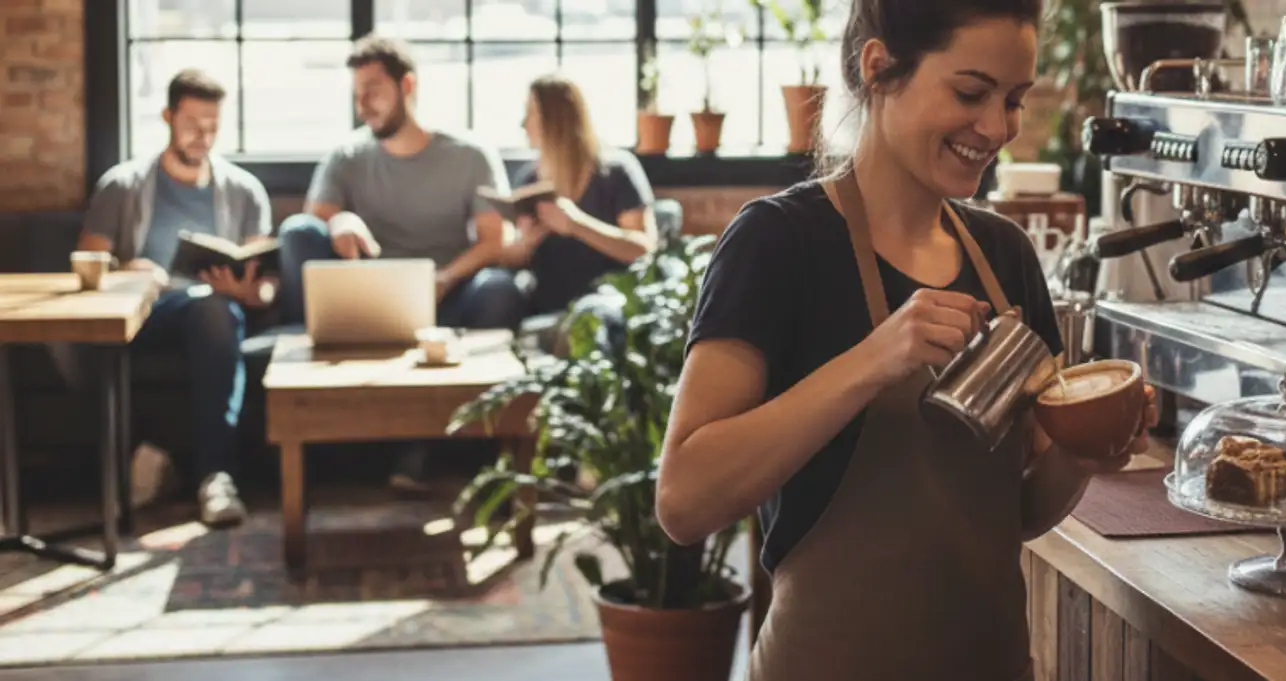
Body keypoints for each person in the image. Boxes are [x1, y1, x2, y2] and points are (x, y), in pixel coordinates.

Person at [655, 0, 1157, 679]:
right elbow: (683, 501)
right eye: (970, 92)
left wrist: (1087, 448)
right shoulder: (779, 244)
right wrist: (872, 361)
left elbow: (1020, 510)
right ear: (879, 69)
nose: (997, 127)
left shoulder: (1004, 256)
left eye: (1013, 99)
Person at [273, 35, 525, 491]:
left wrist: (446, 278)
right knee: (297, 232)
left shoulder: (468, 155)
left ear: (407, 84)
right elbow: (312, 223)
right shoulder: (347, 157)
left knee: (500, 287)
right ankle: (303, 386)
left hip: (446, 301)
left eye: (372, 89)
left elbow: (496, 240)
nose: (362, 104)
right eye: (356, 94)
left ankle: (439, 453)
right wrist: (341, 220)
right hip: (367, 301)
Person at [77, 69, 272, 528]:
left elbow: (265, 286)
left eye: (212, 126)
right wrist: (129, 272)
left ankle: (215, 479)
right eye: (192, 124)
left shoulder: (245, 191)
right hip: (145, 312)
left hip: (216, 313)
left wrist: (248, 291)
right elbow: (85, 267)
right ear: (167, 116)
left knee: (216, 308)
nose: (203, 136)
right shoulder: (122, 185)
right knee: (208, 310)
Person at [501, 74, 658, 316]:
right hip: (545, 307)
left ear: (557, 118)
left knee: (593, 312)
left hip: (607, 305)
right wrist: (527, 243)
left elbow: (643, 249)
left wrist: (576, 225)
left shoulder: (616, 171)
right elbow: (513, 256)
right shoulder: (529, 180)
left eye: (531, 113)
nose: (524, 123)